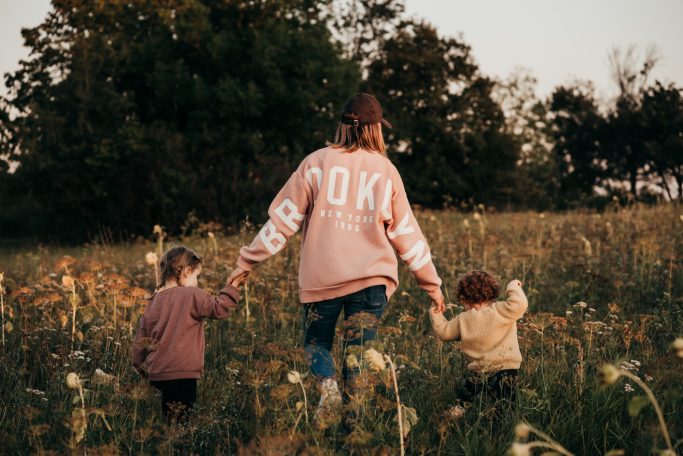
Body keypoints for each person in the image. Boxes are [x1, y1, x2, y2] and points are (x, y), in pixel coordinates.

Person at [228, 93, 445, 421]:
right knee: (358, 355)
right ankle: (353, 426)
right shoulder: (386, 171)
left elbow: (282, 221)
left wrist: (247, 261)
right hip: (371, 282)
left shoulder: (315, 163)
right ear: (376, 130)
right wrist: (432, 285)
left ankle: (328, 388)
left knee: (316, 344)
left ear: (342, 126)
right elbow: (407, 235)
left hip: (322, 279)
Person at [131, 246, 243, 421]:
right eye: (196, 276)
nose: (197, 282)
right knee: (184, 419)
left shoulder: (153, 301)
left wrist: (138, 364)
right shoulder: (191, 294)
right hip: (182, 372)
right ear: (186, 271)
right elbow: (219, 308)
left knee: (169, 415)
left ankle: (168, 435)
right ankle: (179, 437)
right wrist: (233, 287)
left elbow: (141, 340)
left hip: (158, 373)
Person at [429, 270, 528, 416]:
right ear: (492, 294)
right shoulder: (501, 309)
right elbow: (520, 304)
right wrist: (513, 286)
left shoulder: (463, 319)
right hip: (507, 372)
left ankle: (451, 418)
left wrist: (435, 310)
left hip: (478, 373)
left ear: (464, 299)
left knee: (463, 401)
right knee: (505, 410)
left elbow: (443, 332)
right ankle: (498, 428)